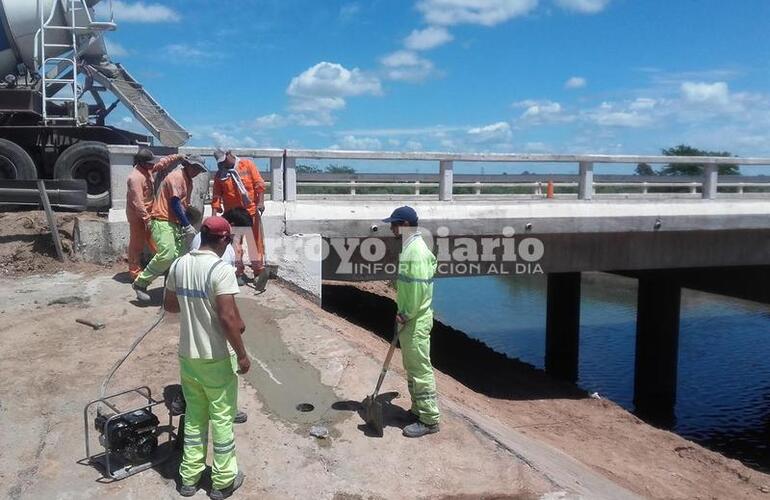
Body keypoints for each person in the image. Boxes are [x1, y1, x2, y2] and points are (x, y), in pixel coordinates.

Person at [163, 216, 249, 499]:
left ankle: (189, 478)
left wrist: (195, 305)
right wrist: (242, 354)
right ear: (224, 240)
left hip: (188, 356)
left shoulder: (179, 264)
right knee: (223, 417)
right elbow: (226, 317)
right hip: (215, 356)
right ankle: (223, 481)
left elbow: (171, 306)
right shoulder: (220, 270)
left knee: (195, 416)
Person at [383, 206, 440, 438]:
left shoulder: (414, 251)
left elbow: (416, 288)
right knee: (412, 368)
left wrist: (406, 314)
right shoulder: (411, 248)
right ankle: (417, 410)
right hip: (412, 319)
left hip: (414, 320)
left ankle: (429, 419)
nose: (391, 228)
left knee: (420, 370)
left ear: (405, 225)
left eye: (394, 224)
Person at [132, 155, 207, 302]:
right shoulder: (177, 177)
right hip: (162, 220)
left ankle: (172, 289)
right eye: (196, 168)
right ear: (188, 165)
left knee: (179, 259)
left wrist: (186, 216)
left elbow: (182, 204)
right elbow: (174, 203)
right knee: (167, 254)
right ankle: (140, 283)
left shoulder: (188, 181)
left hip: (175, 222)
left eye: (199, 169)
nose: (197, 172)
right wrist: (187, 225)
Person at [125, 149, 184, 280]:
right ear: (142, 163)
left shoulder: (147, 169)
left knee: (157, 242)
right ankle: (135, 273)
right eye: (150, 163)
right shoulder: (135, 178)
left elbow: (162, 164)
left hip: (149, 213)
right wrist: (147, 220)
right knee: (137, 245)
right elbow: (138, 203)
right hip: (138, 217)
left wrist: (177, 156)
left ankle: (161, 266)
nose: (153, 165)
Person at [211, 148, 266, 277]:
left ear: (230, 154)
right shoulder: (220, 175)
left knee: (254, 242)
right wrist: (214, 217)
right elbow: (216, 197)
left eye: (225, 160)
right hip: (233, 215)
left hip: (250, 211)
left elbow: (259, 184)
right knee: (235, 244)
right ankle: (238, 271)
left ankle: (258, 270)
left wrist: (261, 202)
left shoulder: (247, 165)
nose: (224, 164)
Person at [192, 207, 253, 287]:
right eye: (240, 233)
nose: (240, 236)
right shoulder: (224, 247)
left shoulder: (200, 236)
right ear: (232, 225)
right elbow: (222, 281)